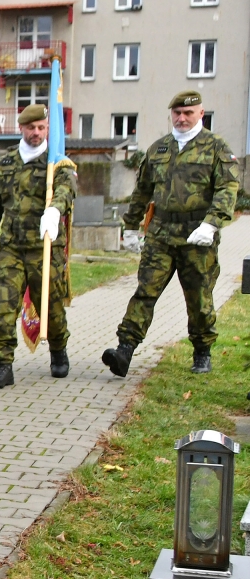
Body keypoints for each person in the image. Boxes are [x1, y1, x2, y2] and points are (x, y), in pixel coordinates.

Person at [102, 90, 239, 377]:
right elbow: (142, 191)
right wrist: (130, 226)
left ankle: (202, 350)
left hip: (197, 235)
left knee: (199, 297)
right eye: (176, 113)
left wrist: (212, 224)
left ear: (201, 114)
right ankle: (125, 349)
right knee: (145, 292)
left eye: (188, 113)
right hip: (161, 234)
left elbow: (227, 189)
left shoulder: (216, 147)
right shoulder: (159, 148)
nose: (181, 118)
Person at [0, 103, 77, 388]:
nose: (36, 133)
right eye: (31, 128)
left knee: (51, 305)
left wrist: (55, 211)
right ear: (21, 128)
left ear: (48, 129)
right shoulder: (6, 163)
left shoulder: (57, 162)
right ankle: (3, 365)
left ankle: (58, 350)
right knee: (4, 305)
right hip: (11, 247)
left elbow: (66, 191)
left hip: (44, 247)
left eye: (42, 128)